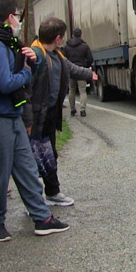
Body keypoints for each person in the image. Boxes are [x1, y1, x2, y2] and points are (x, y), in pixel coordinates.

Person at [0, 0, 69, 242]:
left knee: (27, 168)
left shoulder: (8, 43)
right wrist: (28, 73)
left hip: (12, 115)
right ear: (9, 18)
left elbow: (23, 69)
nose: (19, 20)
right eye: (16, 16)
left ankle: (42, 217)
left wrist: (33, 63)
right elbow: (5, 83)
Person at [23, 17, 97, 206]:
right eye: (62, 37)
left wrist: (89, 74)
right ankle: (35, 200)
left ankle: (52, 192)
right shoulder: (36, 56)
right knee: (35, 159)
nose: (64, 39)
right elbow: (27, 92)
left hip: (49, 115)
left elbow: (71, 69)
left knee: (49, 154)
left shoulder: (57, 56)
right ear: (57, 38)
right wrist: (28, 120)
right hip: (37, 117)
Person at [63, 28, 93, 117]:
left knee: (72, 90)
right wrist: (86, 66)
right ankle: (82, 110)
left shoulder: (66, 46)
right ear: (81, 35)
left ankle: (72, 109)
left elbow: (64, 59)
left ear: (72, 35)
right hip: (81, 70)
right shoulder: (85, 46)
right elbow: (90, 59)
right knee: (82, 91)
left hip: (71, 71)